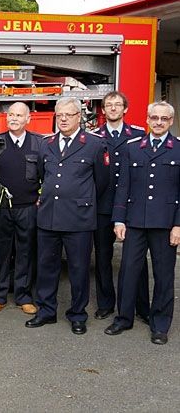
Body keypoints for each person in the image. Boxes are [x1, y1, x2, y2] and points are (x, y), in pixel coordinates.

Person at [25, 97, 109, 335]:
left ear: (78, 117)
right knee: (46, 267)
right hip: (49, 216)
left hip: (79, 218)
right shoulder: (46, 143)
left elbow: (102, 182)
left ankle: (77, 315)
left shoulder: (93, 144)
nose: (63, 119)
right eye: (59, 114)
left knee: (79, 269)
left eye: (68, 115)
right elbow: (43, 174)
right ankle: (46, 311)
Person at [105, 101, 180, 345]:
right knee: (128, 272)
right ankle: (124, 317)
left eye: (164, 119)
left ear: (171, 121)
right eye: (154, 117)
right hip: (135, 221)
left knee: (164, 276)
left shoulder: (177, 149)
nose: (158, 122)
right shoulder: (133, 148)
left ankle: (159, 325)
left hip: (165, 224)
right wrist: (119, 218)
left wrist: (178, 225)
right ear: (147, 119)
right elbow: (123, 186)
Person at [92, 91, 150, 321]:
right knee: (103, 258)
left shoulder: (137, 134)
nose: (113, 108)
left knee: (137, 259)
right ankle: (106, 303)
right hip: (103, 206)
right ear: (103, 110)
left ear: (125, 109)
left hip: (132, 205)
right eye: (109, 105)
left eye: (118, 105)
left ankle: (141, 305)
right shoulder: (95, 137)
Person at [0, 102, 41, 315]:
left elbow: (47, 173)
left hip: (28, 207)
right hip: (1, 208)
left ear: (28, 119)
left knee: (25, 252)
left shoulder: (38, 143)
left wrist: (41, 197)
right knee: (0, 252)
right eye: (11, 115)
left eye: (19, 115)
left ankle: (23, 296)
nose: (14, 119)